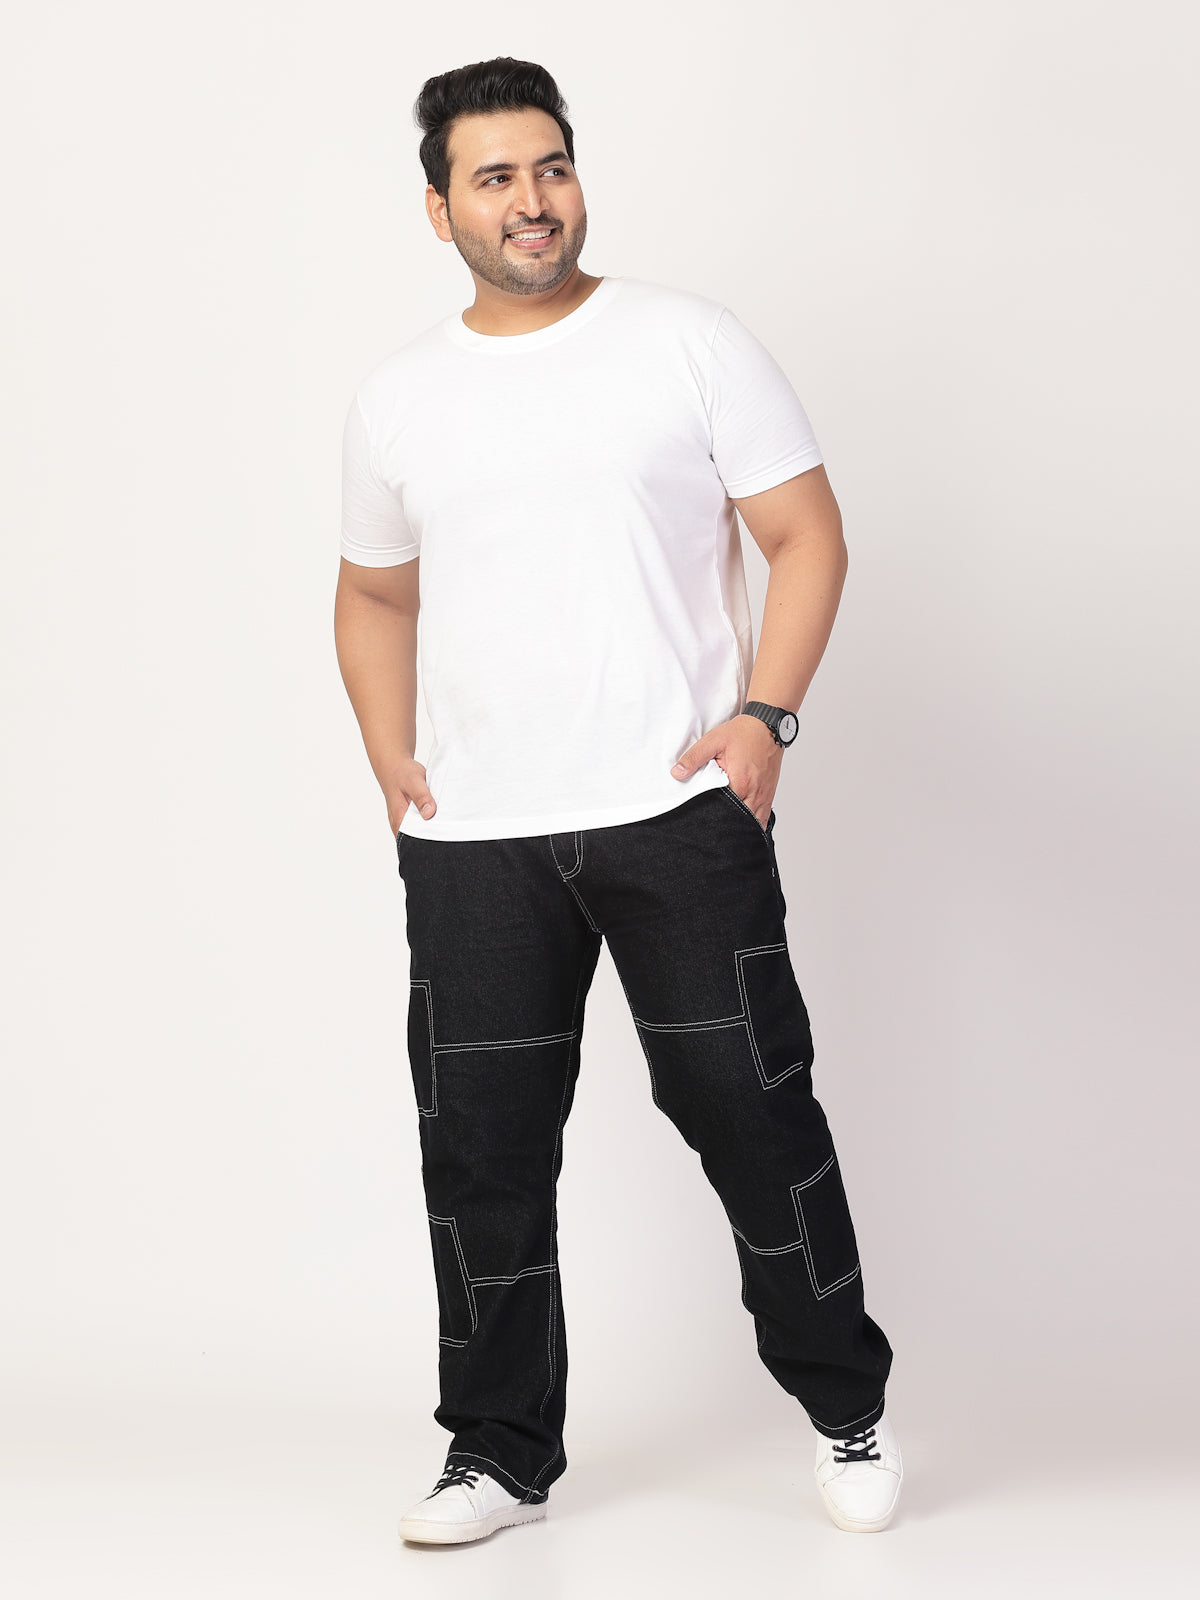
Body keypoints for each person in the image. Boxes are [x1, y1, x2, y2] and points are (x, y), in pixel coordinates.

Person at [334, 55, 902, 1545]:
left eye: (551, 167)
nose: (531, 201)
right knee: (482, 1150)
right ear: (441, 208)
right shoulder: (399, 400)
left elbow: (807, 535)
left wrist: (764, 718)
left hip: (676, 814)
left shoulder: (687, 343)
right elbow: (373, 594)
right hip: (475, 842)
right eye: (494, 178)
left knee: (749, 1106)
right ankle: (498, 1453)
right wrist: (392, 756)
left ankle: (847, 1410)